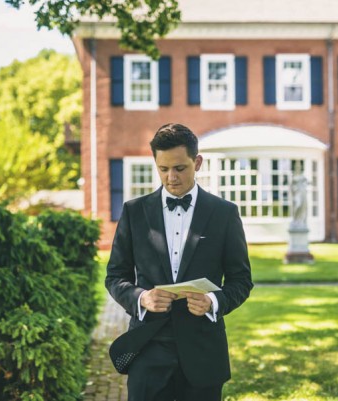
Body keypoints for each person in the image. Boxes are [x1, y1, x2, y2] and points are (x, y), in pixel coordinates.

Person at [106, 123, 253, 401]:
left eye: (179, 168)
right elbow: (115, 276)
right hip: (147, 347)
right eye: (163, 169)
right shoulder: (133, 212)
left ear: (197, 162)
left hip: (203, 350)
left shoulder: (224, 214)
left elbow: (241, 280)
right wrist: (141, 298)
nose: (171, 177)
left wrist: (214, 302)